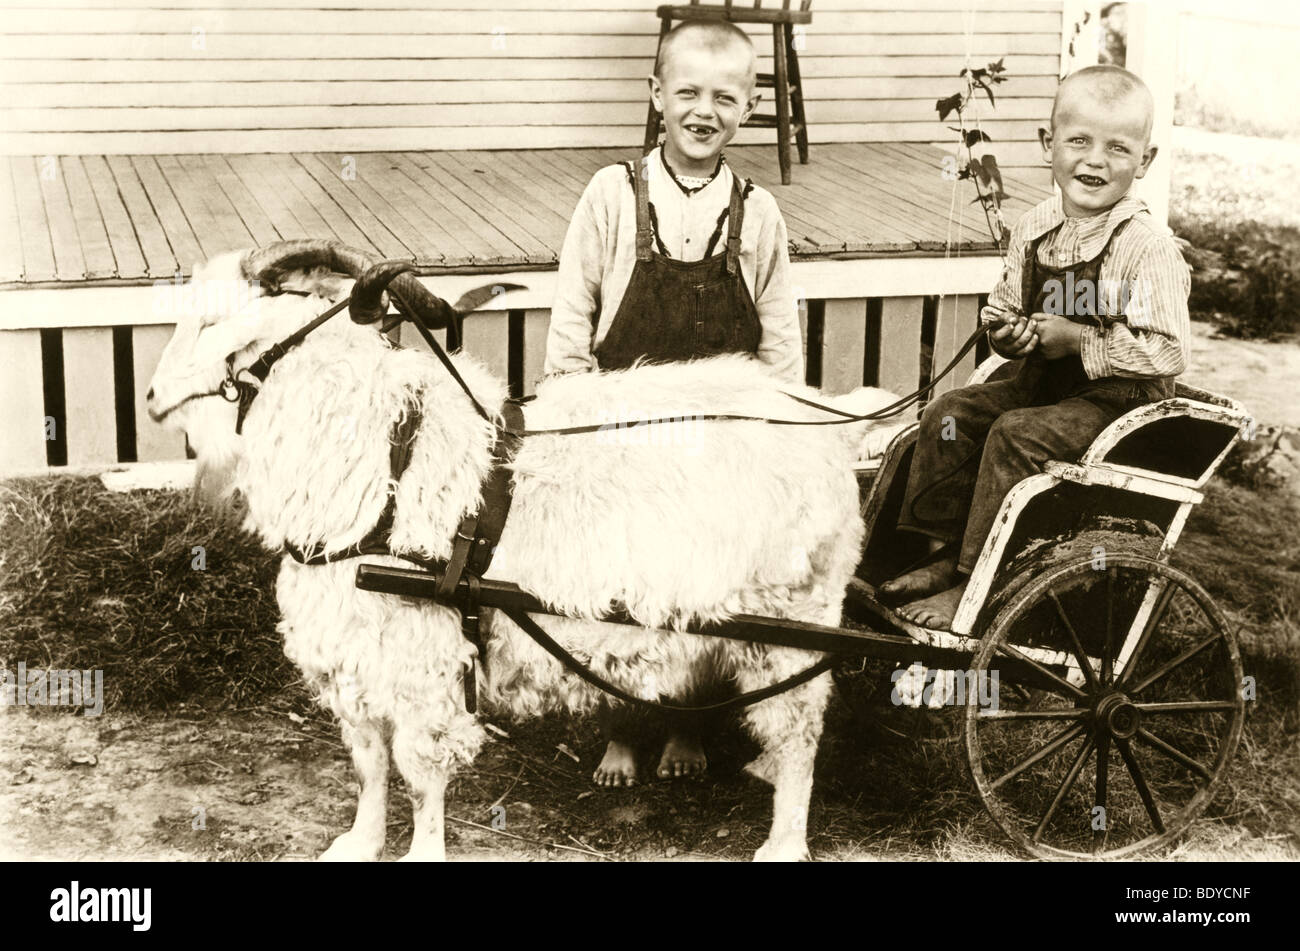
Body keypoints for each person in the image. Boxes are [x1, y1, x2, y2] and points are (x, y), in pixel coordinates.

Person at [543, 19, 804, 786]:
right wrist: (573, 419)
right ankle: (622, 728)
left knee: (707, 590)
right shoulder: (612, 195)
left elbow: (779, 350)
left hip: (717, 445)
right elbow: (572, 322)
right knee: (619, 591)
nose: (703, 111)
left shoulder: (759, 215)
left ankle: (689, 725)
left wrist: (773, 437)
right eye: (686, 92)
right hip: (624, 435)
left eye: (725, 97)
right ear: (656, 96)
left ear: (749, 108)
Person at [883, 65, 1190, 630]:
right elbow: (1004, 307)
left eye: (1118, 148)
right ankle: (941, 556)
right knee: (949, 413)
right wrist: (1007, 333)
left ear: (1144, 162)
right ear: (1048, 144)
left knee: (1015, 432)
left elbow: (1169, 352)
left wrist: (1080, 340)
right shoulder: (1035, 228)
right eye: (1078, 141)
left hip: (1116, 405)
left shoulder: (1147, 247)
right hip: (1040, 386)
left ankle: (976, 581)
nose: (1095, 161)